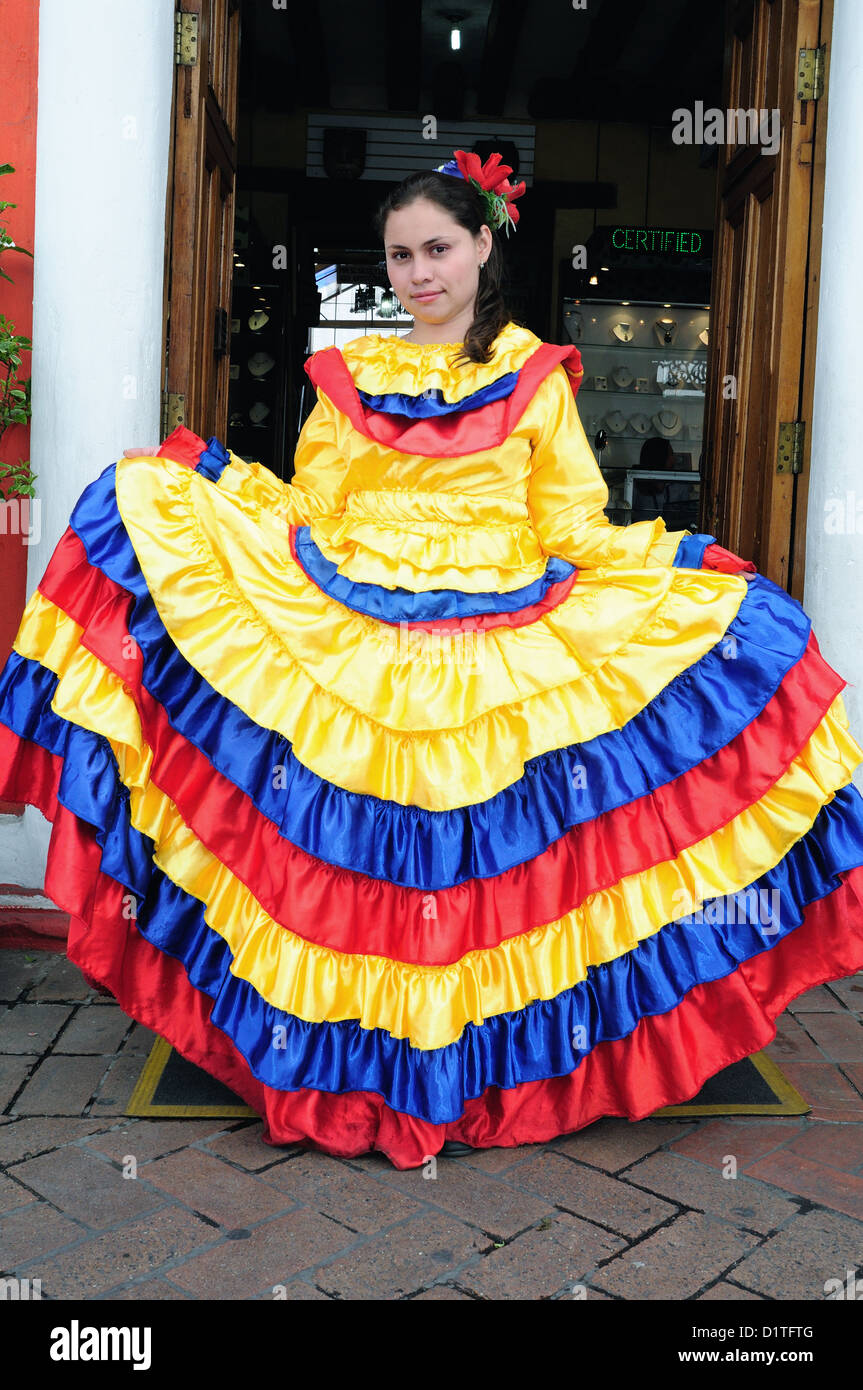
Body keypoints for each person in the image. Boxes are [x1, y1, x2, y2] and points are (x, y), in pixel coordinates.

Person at [3, 149, 863, 1172]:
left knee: (482, 847)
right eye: (400, 255)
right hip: (355, 616)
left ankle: (477, 1061)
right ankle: (355, 1058)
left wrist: (675, 571)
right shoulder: (348, 373)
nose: (418, 273)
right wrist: (202, 492)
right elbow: (312, 507)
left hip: (496, 624)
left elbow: (571, 522)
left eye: (437, 249)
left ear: (482, 245)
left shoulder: (535, 375)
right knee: (359, 844)